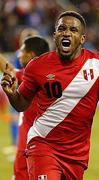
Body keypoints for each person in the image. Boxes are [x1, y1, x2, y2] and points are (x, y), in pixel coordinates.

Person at [1, 11, 99, 179]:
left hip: (77, 154)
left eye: (73, 30)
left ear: (82, 38)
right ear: (55, 36)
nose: (66, 32)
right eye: (62, 28)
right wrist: (11, 94)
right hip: (43, 144)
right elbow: (22, 103)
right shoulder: (37, 66)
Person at [0, 36, 50, 179]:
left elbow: (9, 69)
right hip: (47, 146)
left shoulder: (31, 75)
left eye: (22, 51)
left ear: (31, 55)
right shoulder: (54, 76)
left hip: (30, 144)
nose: (19, 55)